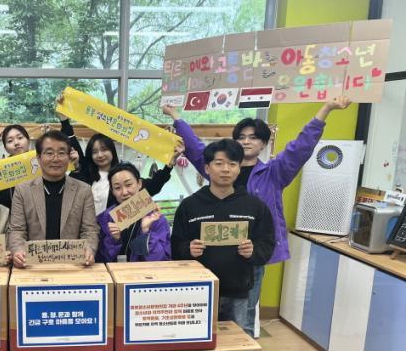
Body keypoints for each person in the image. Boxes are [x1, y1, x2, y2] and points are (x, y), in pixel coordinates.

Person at [163, 96, 351, 335]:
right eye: (241, 137)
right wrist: (175, 116)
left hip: (248, 258)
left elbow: (300, 148)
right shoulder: (218, 168)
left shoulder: (274, 172)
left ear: (264, 143)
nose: (246, 141)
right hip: (210, 258)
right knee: (202, 316)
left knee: (245, 314)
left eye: (253, 137)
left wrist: (326, 109)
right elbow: (195, 147)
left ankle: (246, 349)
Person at [171, 139, 275, 336]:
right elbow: (175, 245)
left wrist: (253, 251)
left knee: (237, 340)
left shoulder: (254, 206)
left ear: (239, 168)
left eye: (232, 164)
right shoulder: (190, 206)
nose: (226, 169)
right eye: (219, 163)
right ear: (207, 168)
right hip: (198, 291)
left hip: (238, 291)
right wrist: (187, 249)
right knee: (197, 340)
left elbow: (267, 244)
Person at [57, 93, 177, 214]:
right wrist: (64, 120)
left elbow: (153, 186)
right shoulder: (84, 171)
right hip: (83, 225)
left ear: (112, 151)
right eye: (95, 152)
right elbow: (72, 143)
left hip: (111, 226)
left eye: (104, 149)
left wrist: (168, 166)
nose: (100, 155)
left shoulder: (123, 174)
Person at [8, 130, 99, 268]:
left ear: (69, 157)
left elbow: (90, 230)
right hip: (33, 266)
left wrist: (89, 249)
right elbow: (17, 230)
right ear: (38, 158)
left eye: (61, 153)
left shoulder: (84, 190)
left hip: (73, 266)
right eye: (49, 153)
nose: (56, 159)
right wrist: (18, 251)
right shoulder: (22, 190)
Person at [96, 163, 170, 263]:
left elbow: (162, 260)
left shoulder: (155, 217)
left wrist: (146, 232)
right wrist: (114, 240)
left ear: (139, 184)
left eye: (129, 185)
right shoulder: (106, 217)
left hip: (145, 272)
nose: (124, 192)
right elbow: (101, 259)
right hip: (115, 272)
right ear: (112, 191)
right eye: (117, 188)